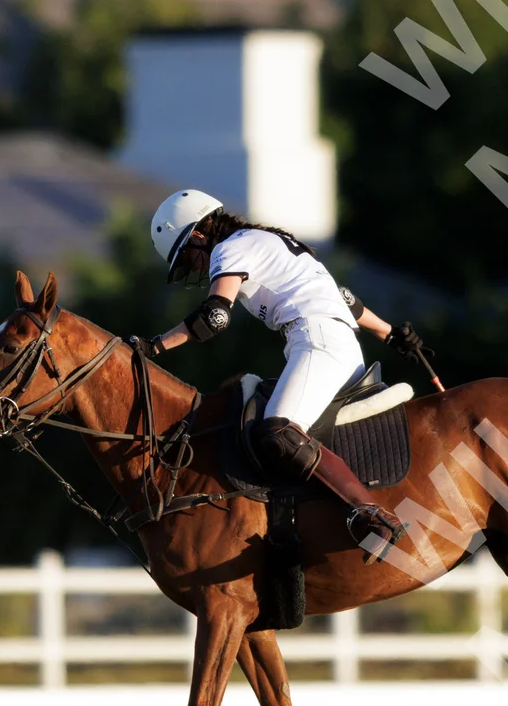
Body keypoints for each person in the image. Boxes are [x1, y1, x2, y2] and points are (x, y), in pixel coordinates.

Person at [138, 189, 427, 560]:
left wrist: (152, 347)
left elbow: (215, 316)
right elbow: (343, 297)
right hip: (332, 341)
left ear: (198, 235)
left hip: (318, 342)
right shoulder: (266, 240)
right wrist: (389, 333)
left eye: (187, 258)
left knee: (277, 430)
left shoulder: (229, 249)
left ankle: (372, 515)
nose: (194, 269)